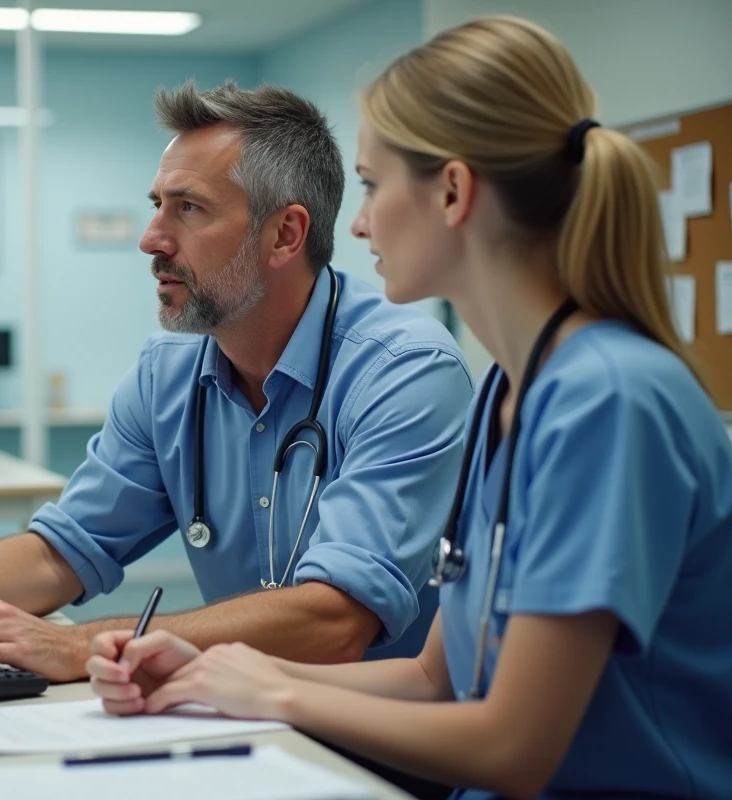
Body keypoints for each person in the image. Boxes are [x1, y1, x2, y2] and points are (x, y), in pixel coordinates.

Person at [87, 15, 732, 800]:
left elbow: (515, 748)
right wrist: (212, 672)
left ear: (452, 192)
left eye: (370, 185)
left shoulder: (607, 400)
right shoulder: (509, 391)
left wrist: (274, 696)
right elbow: (435, 681)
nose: (357, 223)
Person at [0, 81, 473, 683]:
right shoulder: (169, 372)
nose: (151, 238)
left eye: (188, 208)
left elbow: (336, 618)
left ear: (286, 234)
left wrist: (83, 644)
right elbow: (63, 551)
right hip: (234, 714)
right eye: (156, 203)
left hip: (373, 751)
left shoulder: (402, 371)